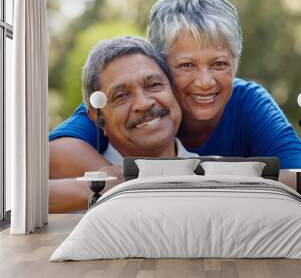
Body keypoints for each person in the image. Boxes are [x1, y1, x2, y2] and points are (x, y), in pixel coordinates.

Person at [49, 0, 301, 211]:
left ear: (235, 64)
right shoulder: (132, 102)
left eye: (219, 63)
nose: (205, 81)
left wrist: (184, 182)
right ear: (160, 66)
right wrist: (119, 190)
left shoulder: (248, 102)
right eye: (186, 65)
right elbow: (57, 154)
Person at [49, 36, 197, 213]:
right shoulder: (71, 203)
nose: (143, 103)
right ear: (98, 118)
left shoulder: (215, 177)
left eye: (154, 85)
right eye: (121, 96)